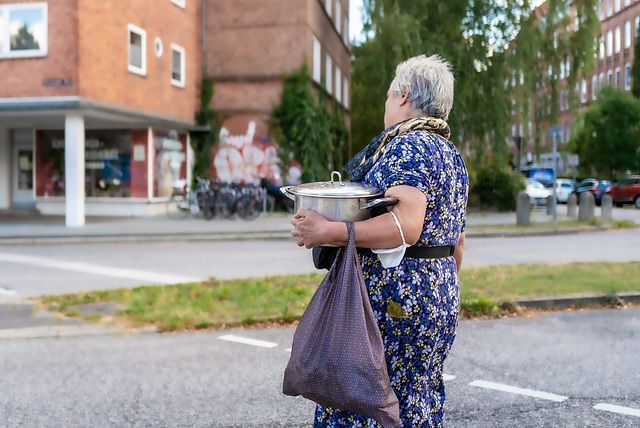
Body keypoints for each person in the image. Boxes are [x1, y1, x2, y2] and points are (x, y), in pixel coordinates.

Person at [290, 54, 468, 427]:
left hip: (393, 300)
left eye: (389, 95)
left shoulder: (410, 146)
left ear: (403, 95)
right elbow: (459, 241)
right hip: (438, 294)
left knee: (362, 399)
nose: (386, 104)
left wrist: (327, 232)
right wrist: (433, 288)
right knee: (416, 398)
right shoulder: (451, 154)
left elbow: (405, 225)